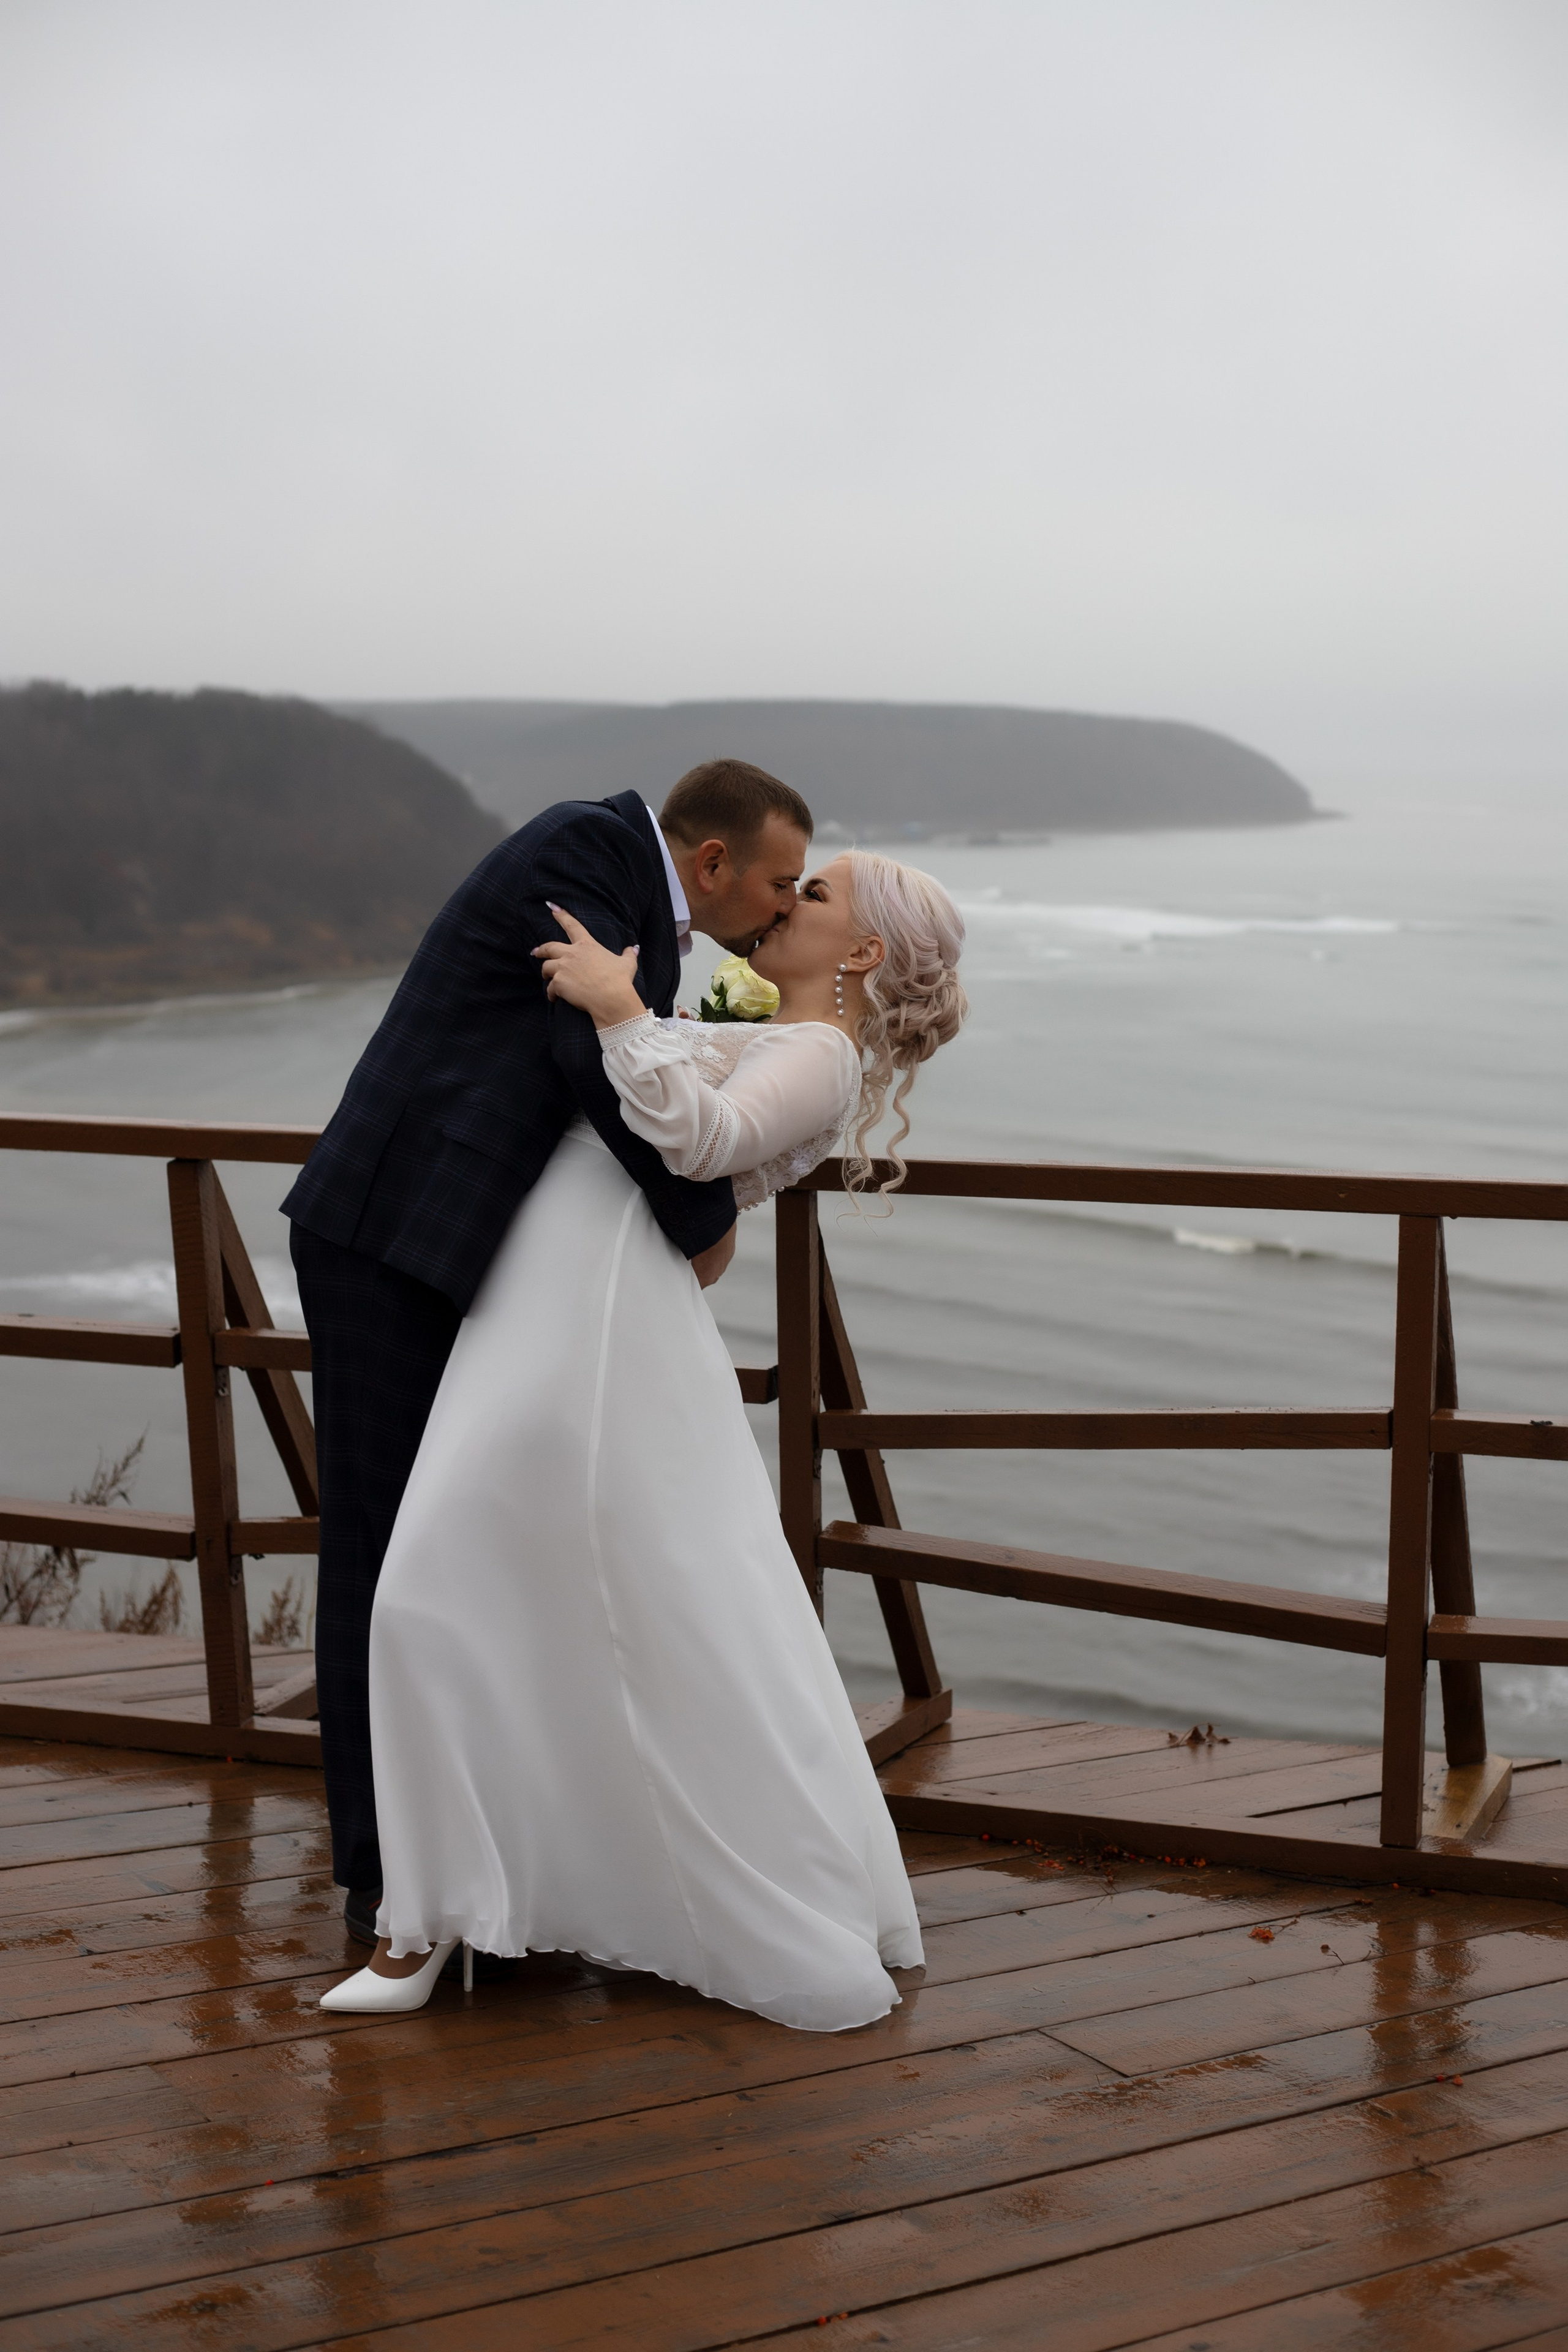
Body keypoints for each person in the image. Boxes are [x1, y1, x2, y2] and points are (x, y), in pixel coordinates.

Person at [319, 850, 968, 2031]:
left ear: (865, 952)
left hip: (595, 1316)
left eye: (816, 895)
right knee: (490, 1598)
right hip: (539, 1296)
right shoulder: (772, 1032)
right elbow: (683, 1168)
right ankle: (445, 1909)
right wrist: (632, 1018)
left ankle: (423, 1925)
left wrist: (622, 1010)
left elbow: (705, 1144)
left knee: (429, 1590)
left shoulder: (822, 1054)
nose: (788, 903)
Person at [284, 760, 812, 1943]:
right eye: (781, 883)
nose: (785, 906)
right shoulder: (586, 850)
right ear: (714, 861)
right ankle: (384, 1876)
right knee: (385, 1548)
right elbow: (585, 1055)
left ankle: (489, 1853)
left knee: (467, 1544)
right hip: (390, 1237)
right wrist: (703, 1223)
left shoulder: (634, 898)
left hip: (461, 1249)